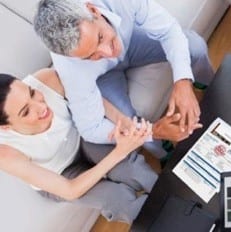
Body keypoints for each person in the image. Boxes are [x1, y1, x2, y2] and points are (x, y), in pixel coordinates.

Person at [33, 0, 213, 153]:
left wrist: (182, 81)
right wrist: (153, 131)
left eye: (100, 37)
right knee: (129, 122)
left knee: (194, 46)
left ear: (93, 10)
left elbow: (169, 31)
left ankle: (209, 85)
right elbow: (90, 128)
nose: (108, 52)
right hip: (104, 77)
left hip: (132, 42)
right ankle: (164, 152)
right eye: (90, 55)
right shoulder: (69, 68)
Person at [0, 69, 158, 223]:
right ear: (5, 127)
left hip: (81, 139)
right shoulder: (5, 153)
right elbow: (70, 190)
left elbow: (91, 99)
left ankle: (178, 193)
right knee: (117, 199)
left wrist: (124, 122)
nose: (41, 107)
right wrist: (119, 152)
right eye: (26, 111)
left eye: (32, 93)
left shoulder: (48, 80)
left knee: (133, 170)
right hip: (60, 174)